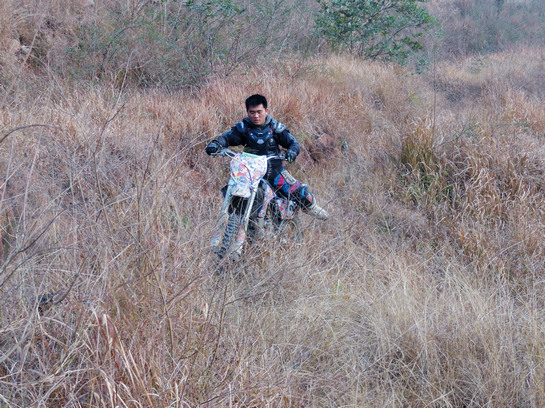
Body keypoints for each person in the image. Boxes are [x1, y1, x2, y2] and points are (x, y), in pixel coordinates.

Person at [205, 94, 329, 220]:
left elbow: (293, 143)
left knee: (298, 191)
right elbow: (227, 138)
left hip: (273, 172)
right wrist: (216, 144)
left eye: (259, 112)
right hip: (250, 173)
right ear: (247, 112)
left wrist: (292, 152)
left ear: (266, 111)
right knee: (234, 193)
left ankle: (312, 207)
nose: (256, 116)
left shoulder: (275, 128)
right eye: (252, 112)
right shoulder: (243, 129)